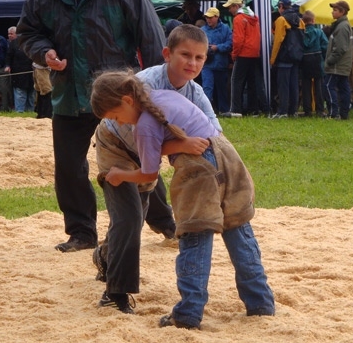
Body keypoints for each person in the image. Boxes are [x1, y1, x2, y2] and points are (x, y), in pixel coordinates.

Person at [90, 70, 275, 329]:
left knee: (194, 236)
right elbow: (181, 135)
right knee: (238, 230)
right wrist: (178, 145)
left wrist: (120, 175)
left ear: (127, 100)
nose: (119, 123)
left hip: (198, 169)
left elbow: (149, 173)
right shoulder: (163, 97)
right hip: (227, 155)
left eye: (116, 116)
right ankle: (260, 303)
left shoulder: (144, 126)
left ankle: (188, 313)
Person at [16, 0, 167, 253]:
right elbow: (28, 32)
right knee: (69, 166)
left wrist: (156, 92)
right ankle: (82, 233)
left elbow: (151, 37)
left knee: (138, 157)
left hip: (118, 94)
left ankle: (165, 222)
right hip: (69, 93)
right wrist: (44, 51)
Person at [92, 24, 222, 313]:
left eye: (199, 57)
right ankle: (115, 294)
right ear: (167, 54)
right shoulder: (143, 85)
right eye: (185, 55)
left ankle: (106, 255)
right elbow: (144, 141)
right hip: (115, 145)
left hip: (146, 156)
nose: (192, 63)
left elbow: (215, 135)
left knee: (134, 217)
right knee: (128, 216)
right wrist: (182, 144)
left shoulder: (195, 93)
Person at [223, 0, 269, 118]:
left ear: (235, 6)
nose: (229, 10)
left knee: (236, 81)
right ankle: (254, 110)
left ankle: (236, 110)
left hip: (243, 53)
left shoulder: (238, 18)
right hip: (254, 53)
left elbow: (238, 40)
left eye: (230, 7)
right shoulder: (254, 17)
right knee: (252, 82)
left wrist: (234, 54)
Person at [270, 0, 304, 118]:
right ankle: (293, 111)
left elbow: (278, 41)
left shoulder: (281, 20)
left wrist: (273, 59)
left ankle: (282, 111)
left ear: (281, 6)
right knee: (294, 85)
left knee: (283, 86)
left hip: (284, 57)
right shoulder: (300, 20)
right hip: (296, 57)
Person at [323, 0, 353, 120]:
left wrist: (330, 61)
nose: (332, 12)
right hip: (342, 64)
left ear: (342, 12)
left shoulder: (342, 27)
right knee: (344, 88)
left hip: (337, 65)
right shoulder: (343, 25)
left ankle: (333, 113)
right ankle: (344, 113)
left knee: (328, 86)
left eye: (335, 10)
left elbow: (340, 48)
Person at [200, 7, 232, 115]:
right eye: (207, 17)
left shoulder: (226, 29)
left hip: (221, 65)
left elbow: (230, 44)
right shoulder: (203, 30)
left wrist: (217, 47)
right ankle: (206, 111)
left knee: (222, 89)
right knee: (207, 88)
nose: (208, 19)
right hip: (207, 65)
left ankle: (223, 110)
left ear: (217, 17)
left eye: (210, 17)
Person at [301, 10, 328, 117]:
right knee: (319, 86)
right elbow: (325, 46)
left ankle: (307, 110)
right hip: (317, 59)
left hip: (305, 60)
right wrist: (325, 59)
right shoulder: (319, 32)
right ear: (313, 20)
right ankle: (320, 110)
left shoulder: (301, 33)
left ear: (303, 21)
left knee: (306, 86)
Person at [6, 26, 35, 113]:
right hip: (18, 74)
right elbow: (8, 56)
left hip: (31, 73)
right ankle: (20, 112)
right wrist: (8, 66)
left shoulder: (32, 42)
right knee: (20, 94)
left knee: (31, 95)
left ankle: (30, 112)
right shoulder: (14, 43)